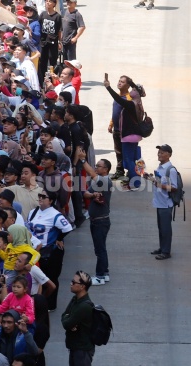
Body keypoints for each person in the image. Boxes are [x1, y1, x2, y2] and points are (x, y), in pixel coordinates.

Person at [77, 151, 113, 284]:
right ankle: (105, 272)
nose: (96, 168)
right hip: (96, 220)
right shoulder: (98, 183)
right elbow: (86, 194)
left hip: (100, 221)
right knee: (101, 248)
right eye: (96, 165)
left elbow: (91, 174)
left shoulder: (104, 181)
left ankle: (100, 276)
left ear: (106, 169)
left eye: (98, 166)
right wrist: (92, 195)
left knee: (100, 250)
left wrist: (82, 160)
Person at [103, 76, 144, 190]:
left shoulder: (130, 102)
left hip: (128, 135)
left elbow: (119, 99)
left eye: (134, 90)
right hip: (134, 135)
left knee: (128, 160)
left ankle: (136, 183)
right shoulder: (135, 102)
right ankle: (135, 177)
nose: (132, 91)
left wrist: (108, 87)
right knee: (135, 157)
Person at [147, 144, 178, 260]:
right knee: (161, 227)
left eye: (162, 152)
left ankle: (166, 252)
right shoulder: (160, 167)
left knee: (165, 228)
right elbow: (158, 182)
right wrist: (150, 178)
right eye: (159, 152)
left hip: (166, 203)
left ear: (169, 155)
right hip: (159, 202)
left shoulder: (171, 170)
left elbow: (174, 188)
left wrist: (160, 185)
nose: (159, 154)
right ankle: (162, 248)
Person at [61, 271, 94, 366]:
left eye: (74, 282)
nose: (71, 284)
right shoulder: (75, 299)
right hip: (75, 347)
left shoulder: (84, 306)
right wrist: (68, 318)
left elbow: (66, 324)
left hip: (82, 350)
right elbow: (64, 315)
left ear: (82, 286)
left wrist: (68, 319)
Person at [106, 75, 131, 180]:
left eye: (123, 82)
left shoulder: (129, 98)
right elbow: (115, 112)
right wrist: (111, 124)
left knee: (128, 152)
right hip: (117, 130)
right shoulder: (117, 96)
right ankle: (120, 171)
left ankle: (133, 171)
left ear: (128, 85)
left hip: (126, 131)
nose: (119, 83)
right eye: (119, 81)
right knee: (118, 151)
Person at [37, 0, 62, 83]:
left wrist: (59, 42)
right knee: (42, 62)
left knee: (53, 62)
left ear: (54, 4)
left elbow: (59, 30)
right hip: (43, 42)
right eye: (46, 1)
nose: (47, 3)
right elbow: (39, 26)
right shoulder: (43, 14)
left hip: (53, 42)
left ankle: (52, 80)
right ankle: (42, 80)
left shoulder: (57, 16)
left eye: (50, 1)